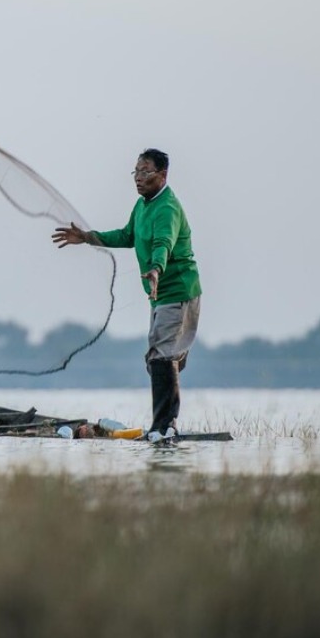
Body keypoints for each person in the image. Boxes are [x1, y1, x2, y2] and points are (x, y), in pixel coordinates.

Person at [51, 148, 202, 442]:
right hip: (159, 295)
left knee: (160, 355)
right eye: (136, 172)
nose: (139, 178)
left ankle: (164, 426)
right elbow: (126, 236)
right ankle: (166, 422)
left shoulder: (167, 208)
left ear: (162, 175)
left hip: (178, 289)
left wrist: (157, 269)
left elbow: (163, 243)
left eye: (145, 172)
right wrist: (87, 237)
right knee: (160, 357)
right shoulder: (141, 206)